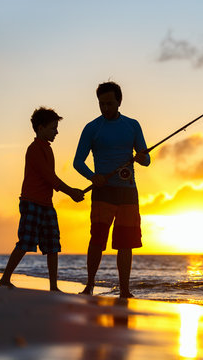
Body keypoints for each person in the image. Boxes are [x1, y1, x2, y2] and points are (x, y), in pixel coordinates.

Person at [74, 81, 150, 298]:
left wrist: (142, 157)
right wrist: (92, 177)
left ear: (119, 102)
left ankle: (125, 290)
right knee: (97, 240)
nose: (105, 108)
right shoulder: (92, 128)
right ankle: (89, 285)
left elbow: (147, 161)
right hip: (102, 192)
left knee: (126, 244)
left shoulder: (132, 125)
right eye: (101, 104)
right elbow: (78, 162)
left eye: (109, 103)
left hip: (128, 192)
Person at [0, 107, 85, 291]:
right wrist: (71, 192)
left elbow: (50, 178)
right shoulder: (35, 149)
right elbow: (49, 177)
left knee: (53, 245)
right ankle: (5, 278)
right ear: (40, 128)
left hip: (46, 204)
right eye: (53, 128)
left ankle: (53, 286)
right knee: (25, 242)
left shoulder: (47, 149)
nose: (57, 132)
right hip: (31, 202)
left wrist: (70, 192)